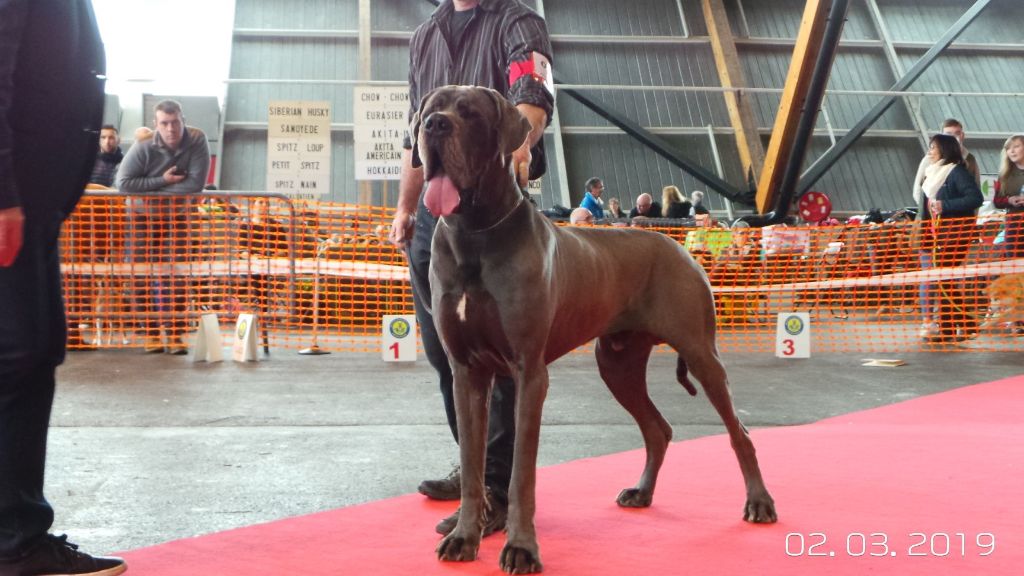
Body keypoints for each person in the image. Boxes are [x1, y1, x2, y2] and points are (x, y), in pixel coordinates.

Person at [388, 0, 553, 537]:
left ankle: (499, 493)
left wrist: (515, 148)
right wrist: (406, 209)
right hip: (437, 220)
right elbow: (421, 140)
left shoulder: (518, 21)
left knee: (505, 359)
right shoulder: (425, 36)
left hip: (497, 216)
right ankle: (474, 472)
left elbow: (531, 101)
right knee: (447, 353)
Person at [0, 1, 128, 574]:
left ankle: (16, 534)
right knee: (21, 355)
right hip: (17, 202)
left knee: (33, 350)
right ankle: (14, 540)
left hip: (36, 203)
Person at [116, 99, 210, 355]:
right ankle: (151, 333)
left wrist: (150, 187)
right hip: (140, 217)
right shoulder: (143, 145)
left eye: (175, 122)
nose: (171, 129)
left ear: (183, 120)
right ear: (156, 125)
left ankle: (177, 333)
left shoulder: (198, 140)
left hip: (179, 215)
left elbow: (194, 186)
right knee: (139, 273)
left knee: (177, 272)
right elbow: (123, 183)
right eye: (165, 123)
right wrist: (163, 180)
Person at [918, 133, 983, 344]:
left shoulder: (956, 172)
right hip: (936, 234)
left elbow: (975, 198)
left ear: (944, 150)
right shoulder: (931, 174)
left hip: (955, 234)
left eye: (933, 147)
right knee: (943, 280)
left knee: (944, 280)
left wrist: (946, 206)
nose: (929, 151)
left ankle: (959, 326)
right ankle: (958, 326)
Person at [994, 134, 1024, 259]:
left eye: (1016, 146)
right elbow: (997, 201)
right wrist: (1009, 200)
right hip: (1014, 224)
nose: (1011, 151)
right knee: (1013, 260)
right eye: (1008, 148)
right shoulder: (1004, 175)